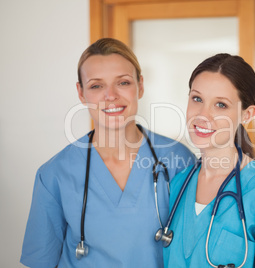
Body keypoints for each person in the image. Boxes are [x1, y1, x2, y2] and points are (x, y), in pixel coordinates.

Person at [20, 38, 195, 268]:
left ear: (140, 86)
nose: (110, 95)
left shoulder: (179, 160)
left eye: (123, 83)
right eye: (96, 86)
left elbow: (196, 247)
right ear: (81, 93)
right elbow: (41, 261)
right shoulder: (55, 173)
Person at [162, 54, 255, 267]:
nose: (203, 115)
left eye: (220, 105)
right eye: (197, 99)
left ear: (247, 114)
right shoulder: (177, 185)